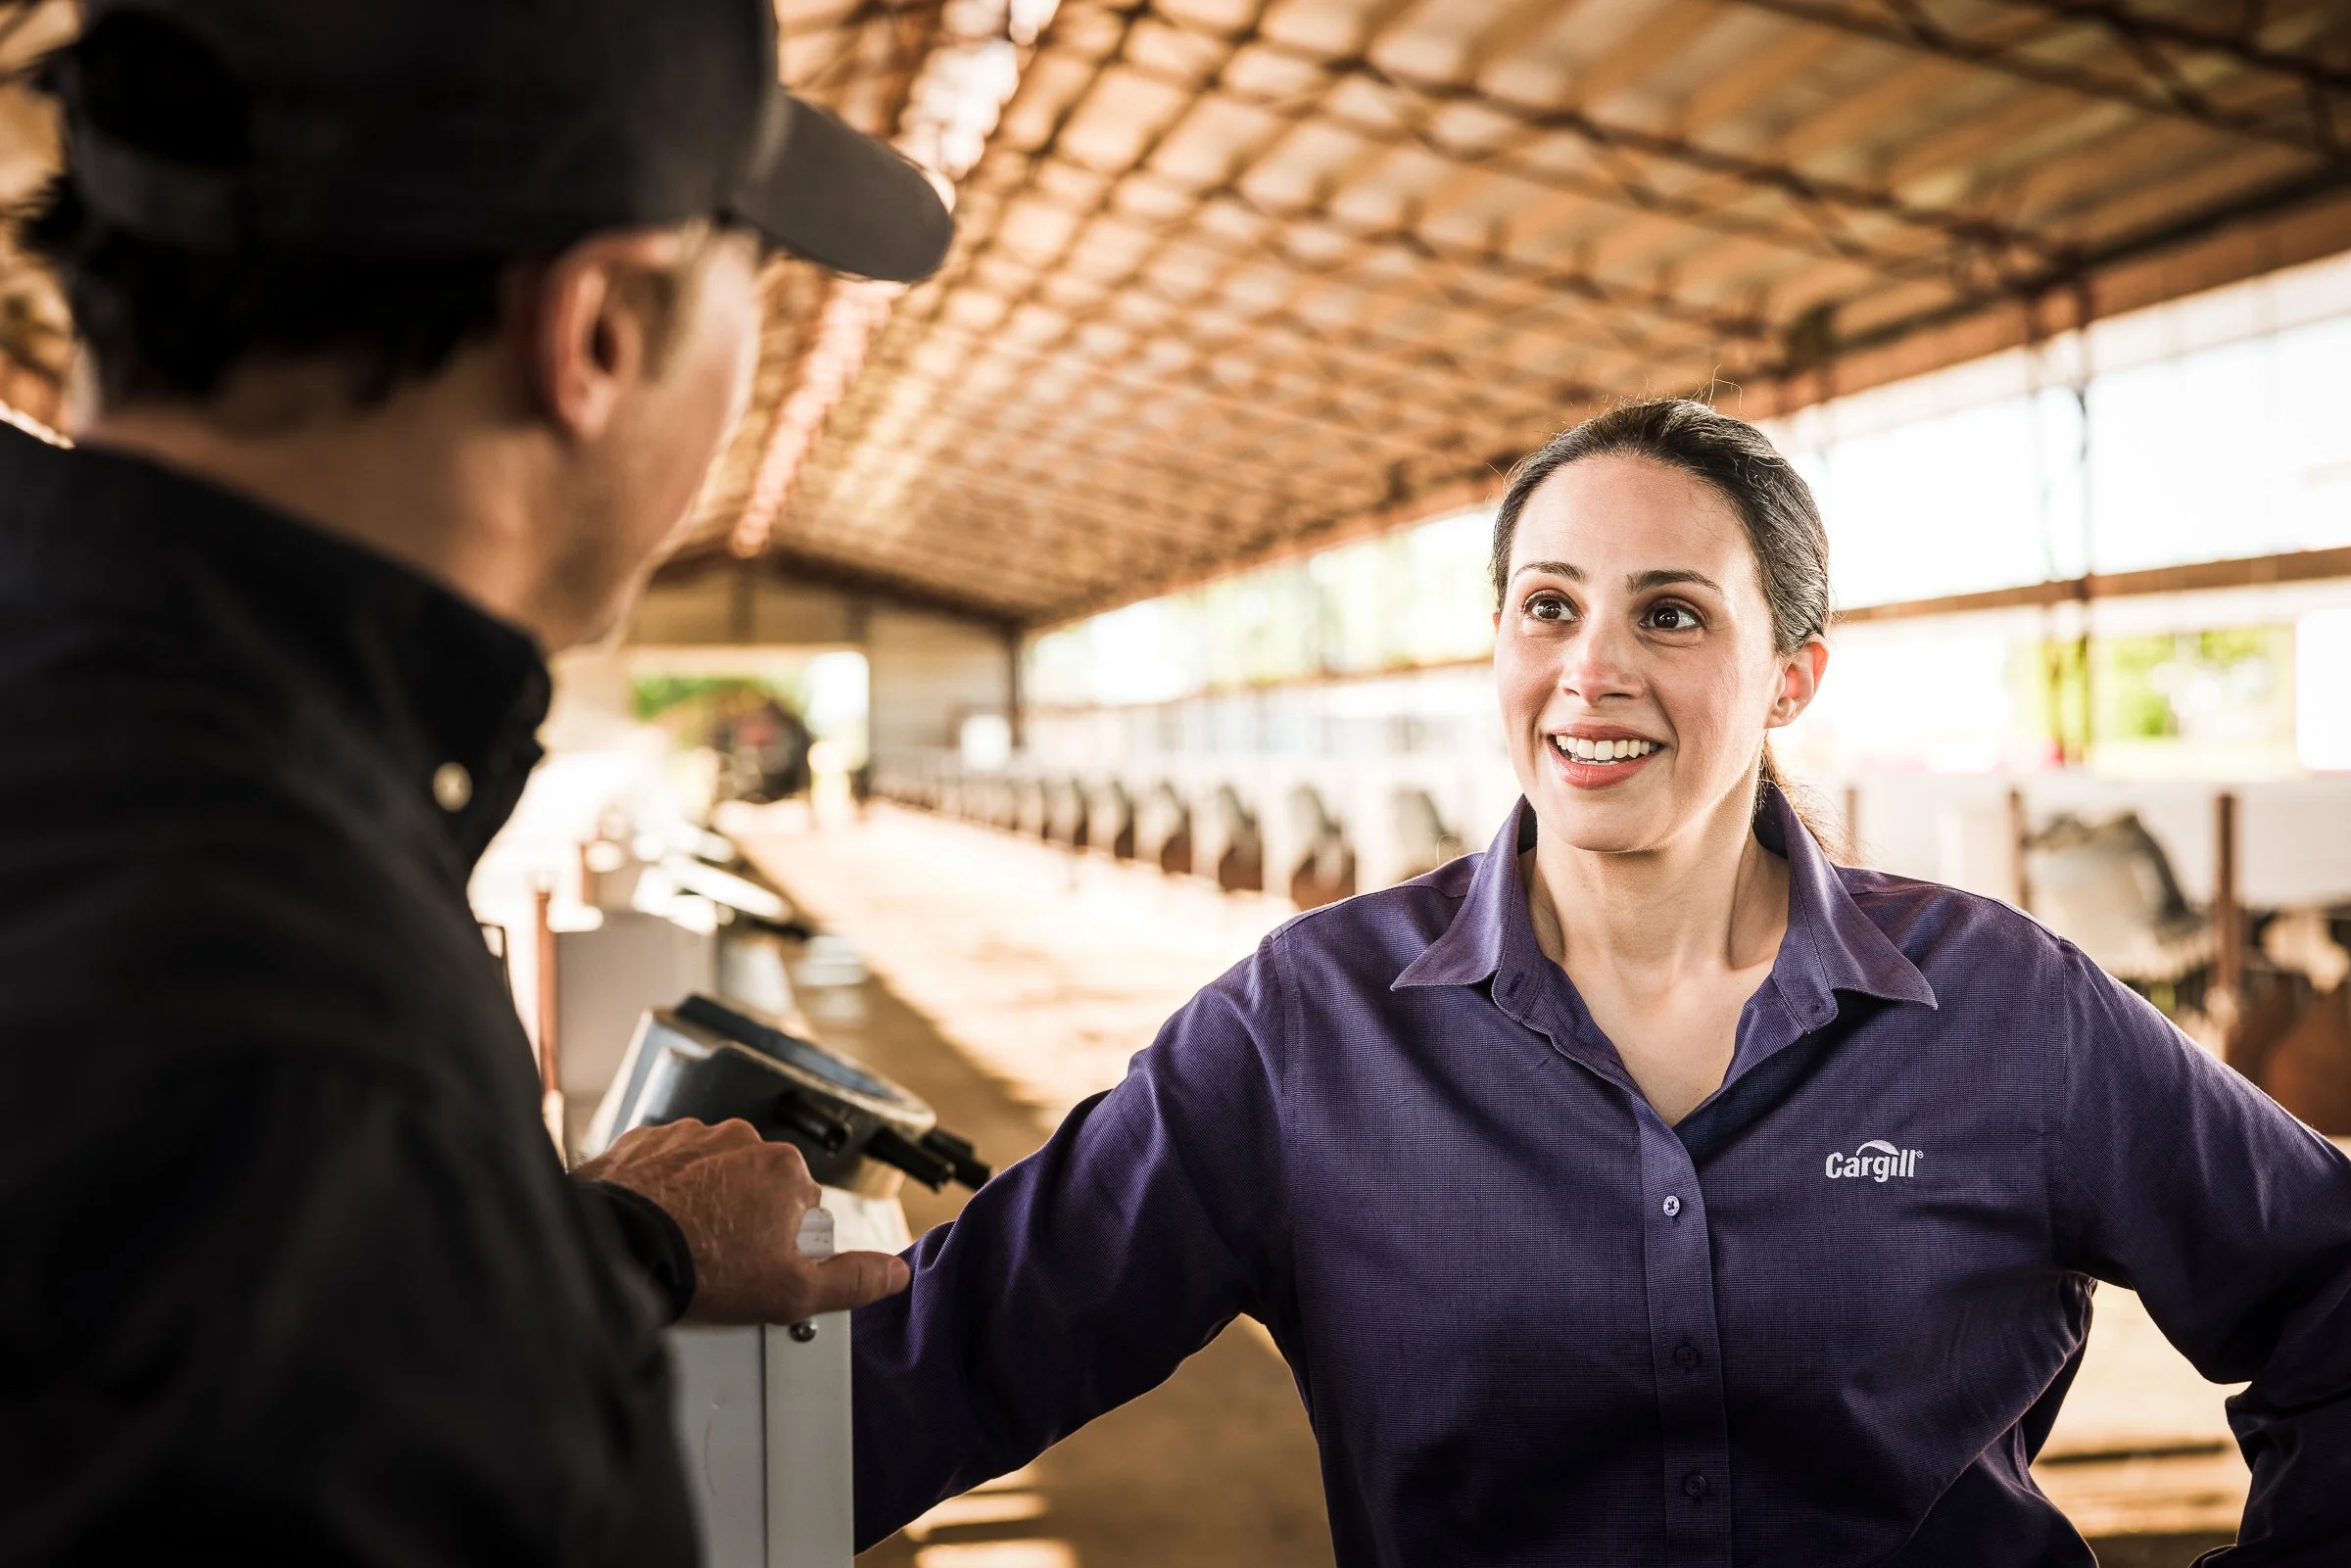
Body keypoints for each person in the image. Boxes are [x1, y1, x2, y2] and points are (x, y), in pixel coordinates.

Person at [852, 399, 2351, 1564]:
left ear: (1790, 677)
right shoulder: (1310, 1030)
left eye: (1673, 613)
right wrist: (630, 1316)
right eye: (1549, 606)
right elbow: (979, 1338)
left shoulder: (2002, 1009)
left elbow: (2327, 1289)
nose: (1593, 671)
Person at [0, 2, 952, 1560]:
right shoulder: (307, 1052)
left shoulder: (122, 793)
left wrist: (604, 1250)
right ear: (597, 337)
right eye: (750, 297)